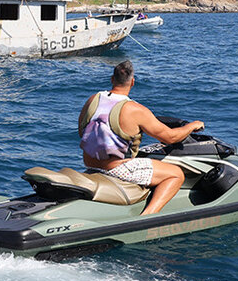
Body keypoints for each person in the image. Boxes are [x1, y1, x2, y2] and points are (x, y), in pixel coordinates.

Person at [78, 60, 205, 215]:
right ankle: (147, 216)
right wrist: (191, 126)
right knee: (176, 174)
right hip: (115, 169)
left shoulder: (94, 99)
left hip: (89, 163)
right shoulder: (134, 109)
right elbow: (171, 138)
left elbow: (82, 131)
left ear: (112, 79)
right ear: (132, 82)